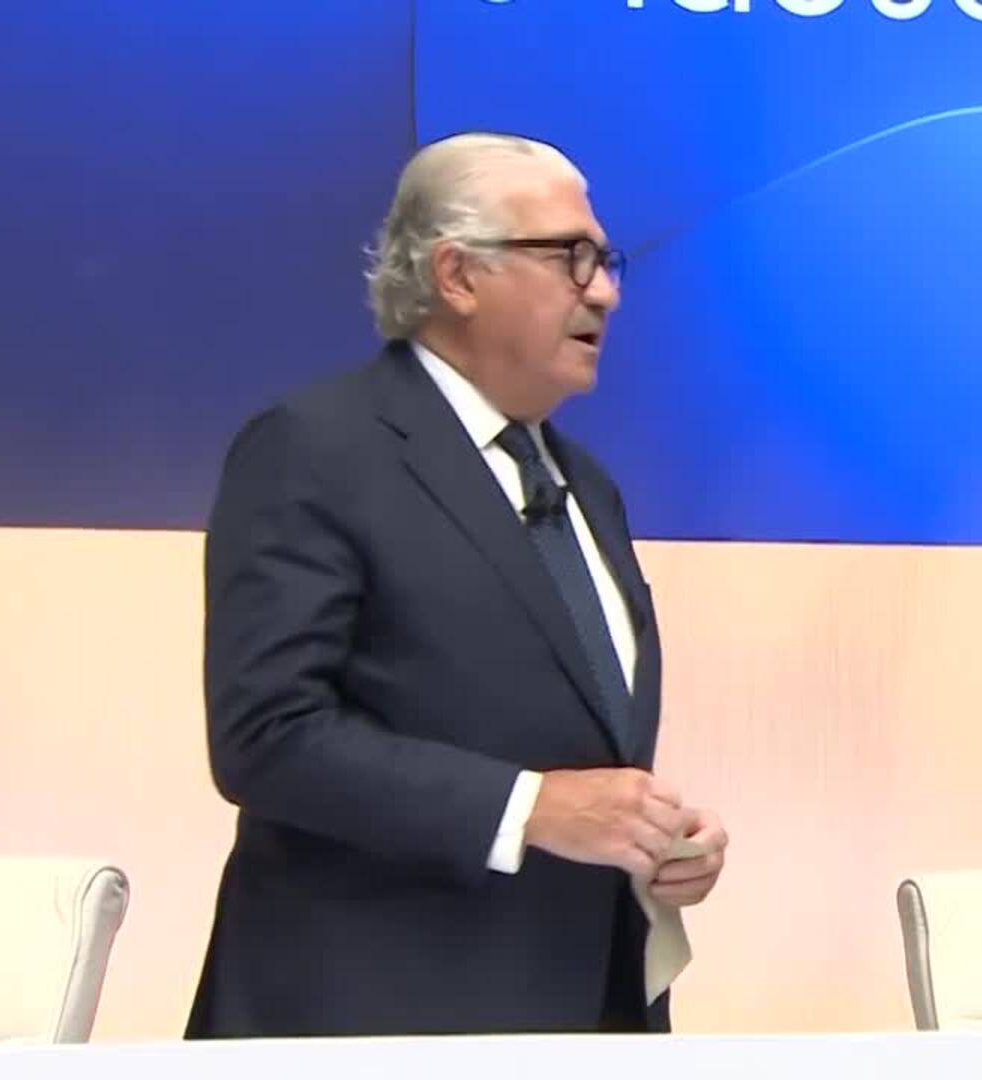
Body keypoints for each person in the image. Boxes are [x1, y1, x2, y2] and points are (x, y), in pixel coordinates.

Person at [186, 132, 728, 1037]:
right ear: (458, 274)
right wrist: (531, 808)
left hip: (583, 1015)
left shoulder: (587, 486)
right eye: (570, 257)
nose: (604, 290)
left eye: (606, 261)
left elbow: (571, 737)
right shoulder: (315, 449)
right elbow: (267, 737)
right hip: (371, 1021)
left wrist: (655, 840)